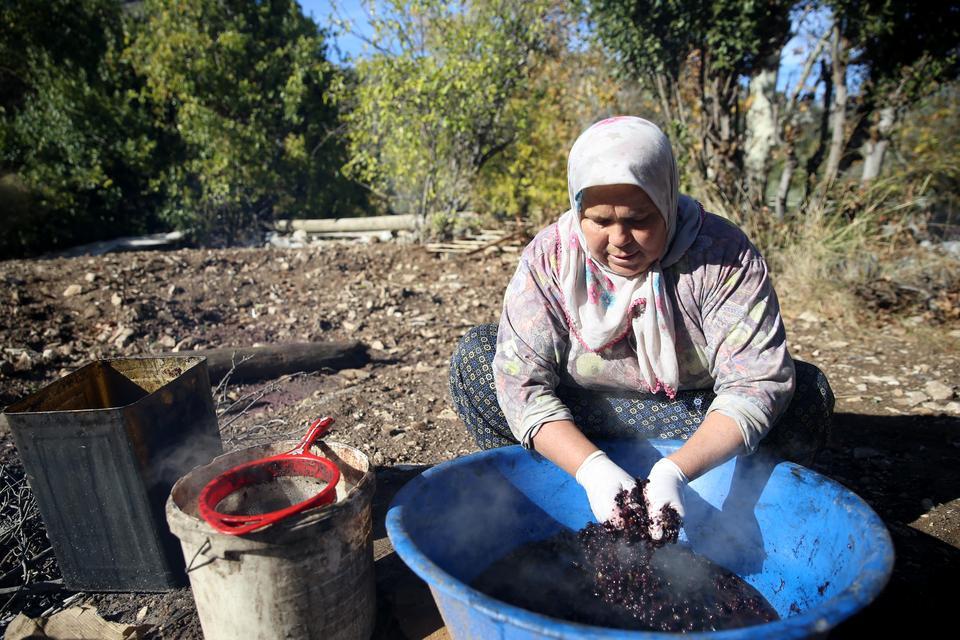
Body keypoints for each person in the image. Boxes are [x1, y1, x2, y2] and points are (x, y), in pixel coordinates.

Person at [449, 116, 833, 538]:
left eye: (639, 219)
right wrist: (591, 468)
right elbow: (520, 379)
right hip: (584, 412)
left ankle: (725, 515)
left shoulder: (722, 256)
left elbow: (755, 382)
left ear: (667, 200)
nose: (619, 239)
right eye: (599, 220)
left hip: (687, 419)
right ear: (578, 210)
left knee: (805, 394)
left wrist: (675, 470)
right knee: (478, 359)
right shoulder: (552, 257)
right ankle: (558, 488)